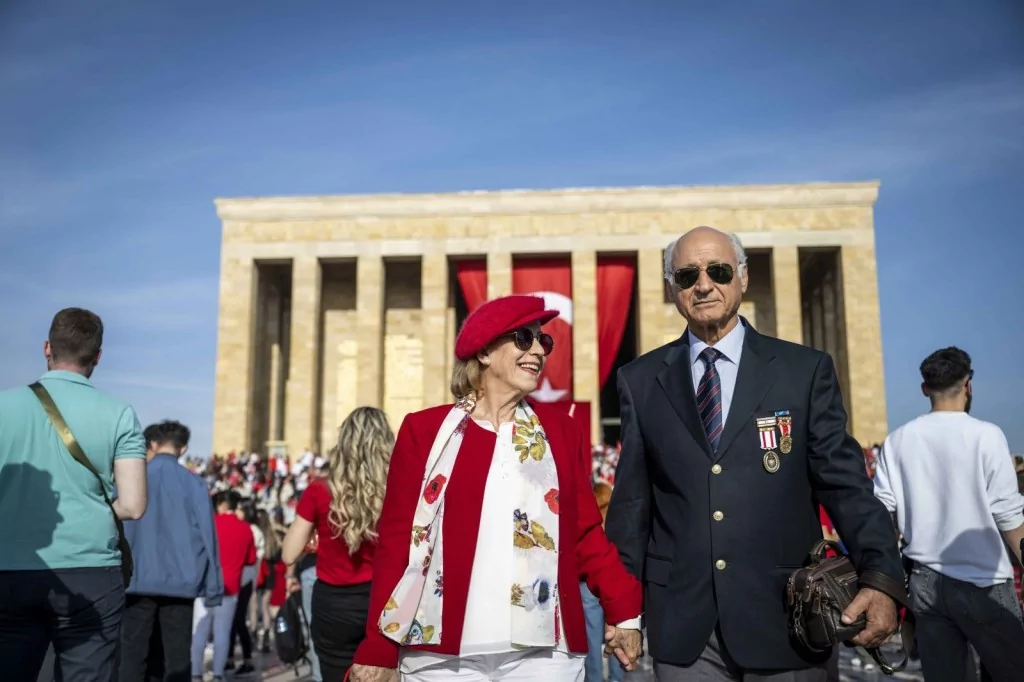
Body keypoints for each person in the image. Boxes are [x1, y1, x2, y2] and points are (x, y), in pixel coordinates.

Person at [605, 227, 909, 681]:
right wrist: (624, 611)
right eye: (687, 275)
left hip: (787, 618)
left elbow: (846, 486)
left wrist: (881, 578)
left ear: (743, 278)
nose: (703, 285)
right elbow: (632, 505)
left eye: (719, 271)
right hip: (686, 625)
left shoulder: (803, 371)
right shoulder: (640, 380)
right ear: (671, 288)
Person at [348, 295, 644, 682]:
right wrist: (379, 646)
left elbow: (584, 532)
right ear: (485, 352)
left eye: (543, 341)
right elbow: (396, 542)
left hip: (544, 654)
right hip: (437, 654)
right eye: (524, 338)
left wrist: (624, 608)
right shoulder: (424, 431)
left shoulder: (561, 431)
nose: (538, 350)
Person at [0, 307, 148, 682]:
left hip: (9, 567)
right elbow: (133, 505)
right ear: (97, 356)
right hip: (91, 570)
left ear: (47, 348)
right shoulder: (119, 414)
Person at [873, 347, 1024, 682]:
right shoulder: (987, 435)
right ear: (968, 385)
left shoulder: (897, 441)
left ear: (924, 389)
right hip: (982, 578)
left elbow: (882, 514)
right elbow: (1007, 513)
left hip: (924, 582)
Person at [281, 406, 396, 680]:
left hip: (333, 606)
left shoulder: (319, 490)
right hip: (382, 603)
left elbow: (288, 554)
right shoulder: (397, 487)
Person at [120, 420, 223, 682]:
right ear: (184, 448)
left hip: (136, 581)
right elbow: (209, 538)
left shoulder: (132, 479)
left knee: (133, 655)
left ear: (153, 444)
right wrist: (213, 588)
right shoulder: (195, 484)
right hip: (180, 583)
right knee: (176, 658)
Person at [190, 491, 256, 682]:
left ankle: (196, 672)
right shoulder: (245, 529)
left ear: (221, 505)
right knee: (223, 632)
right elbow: (251, 561)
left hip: (205, 585)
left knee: (200, 631)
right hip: (231, 587)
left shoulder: (209, 524)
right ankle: (218, 673)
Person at [581, 481, 625, 682]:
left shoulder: (589, 518)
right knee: (616, 631)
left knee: (591, 635)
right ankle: (617, 677)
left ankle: (594, 678)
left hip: (588, 581)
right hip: (613, 577)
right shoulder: (616, 517)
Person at [226, 499, 261, 676]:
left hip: (245, 579)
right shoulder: (242, 527)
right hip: (237, 577)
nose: (236, 512)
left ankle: (247, 659)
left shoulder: (252, 530)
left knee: (239, 619)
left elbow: (253, 558)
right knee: (232, 620)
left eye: (240, 509)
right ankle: (229, 658)